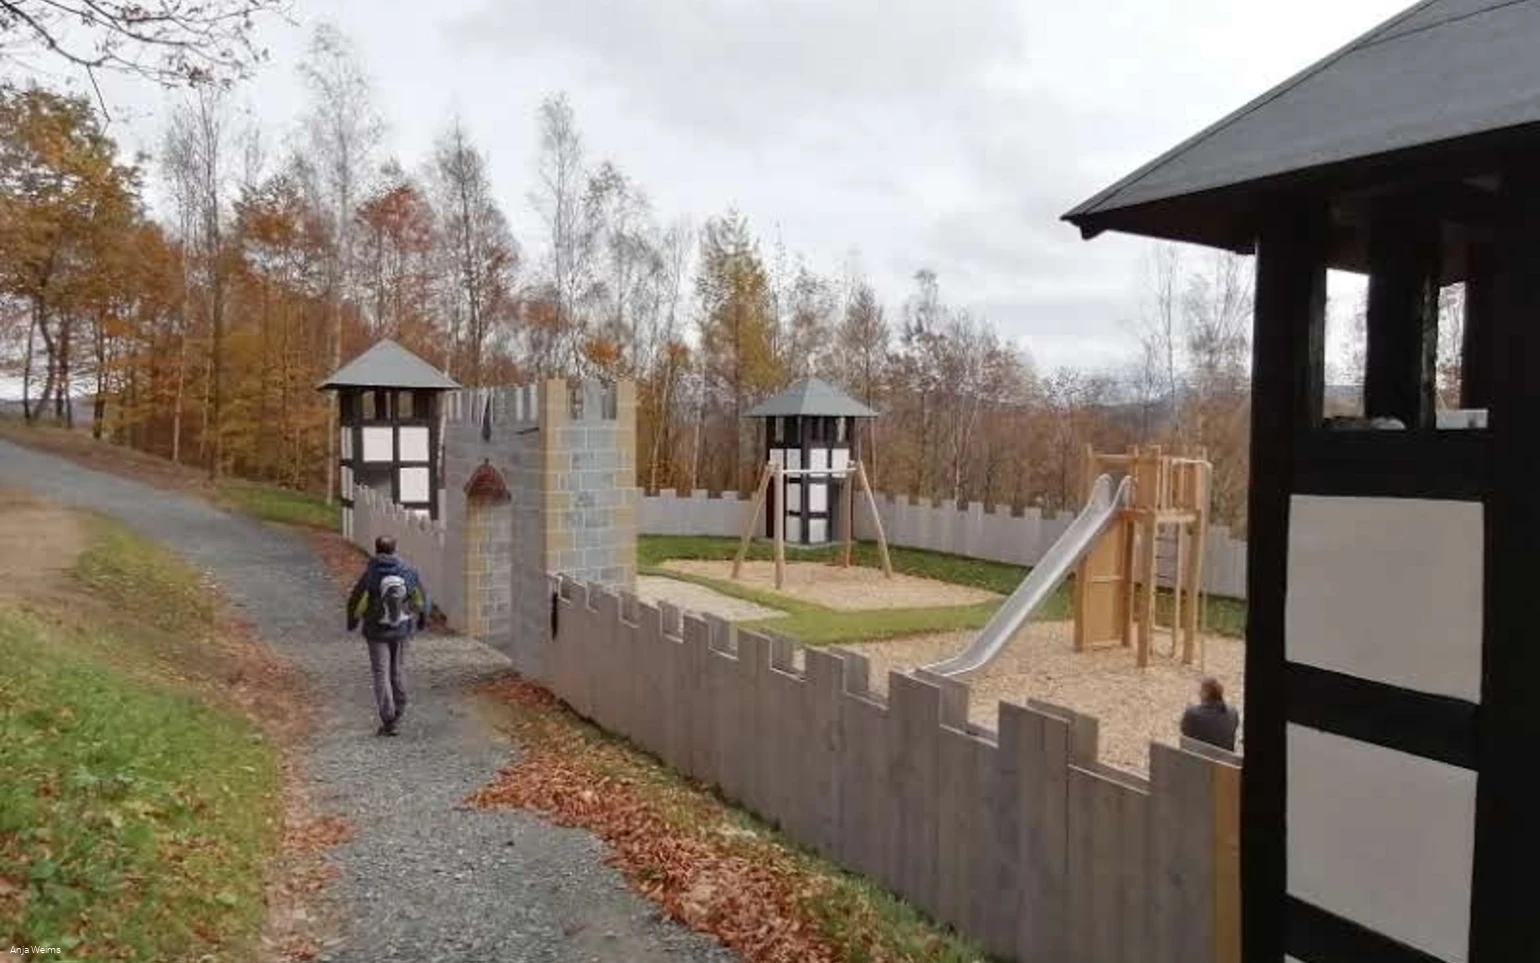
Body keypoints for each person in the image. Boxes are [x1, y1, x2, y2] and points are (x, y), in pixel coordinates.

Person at [347, 536, 429, 736]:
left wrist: (352, 622)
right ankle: (399, 709)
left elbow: (356, 600)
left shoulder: (371, 574)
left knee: (380, 673)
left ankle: (388, 718)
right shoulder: (409, 571)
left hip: (376, 631)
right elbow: (422, 599)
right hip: (401, 630)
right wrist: (421, 620)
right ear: (395, 550)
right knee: (397, 670)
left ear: (376, 550)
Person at [1180, 677, 1240, 752]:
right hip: (1225, 761)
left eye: (1201, 691)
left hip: (1198, 760)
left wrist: (1191, 709)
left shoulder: (1192, 713)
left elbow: (1185, 732)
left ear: (1205, 694)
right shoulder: (1233, 711)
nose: (1199, 693)